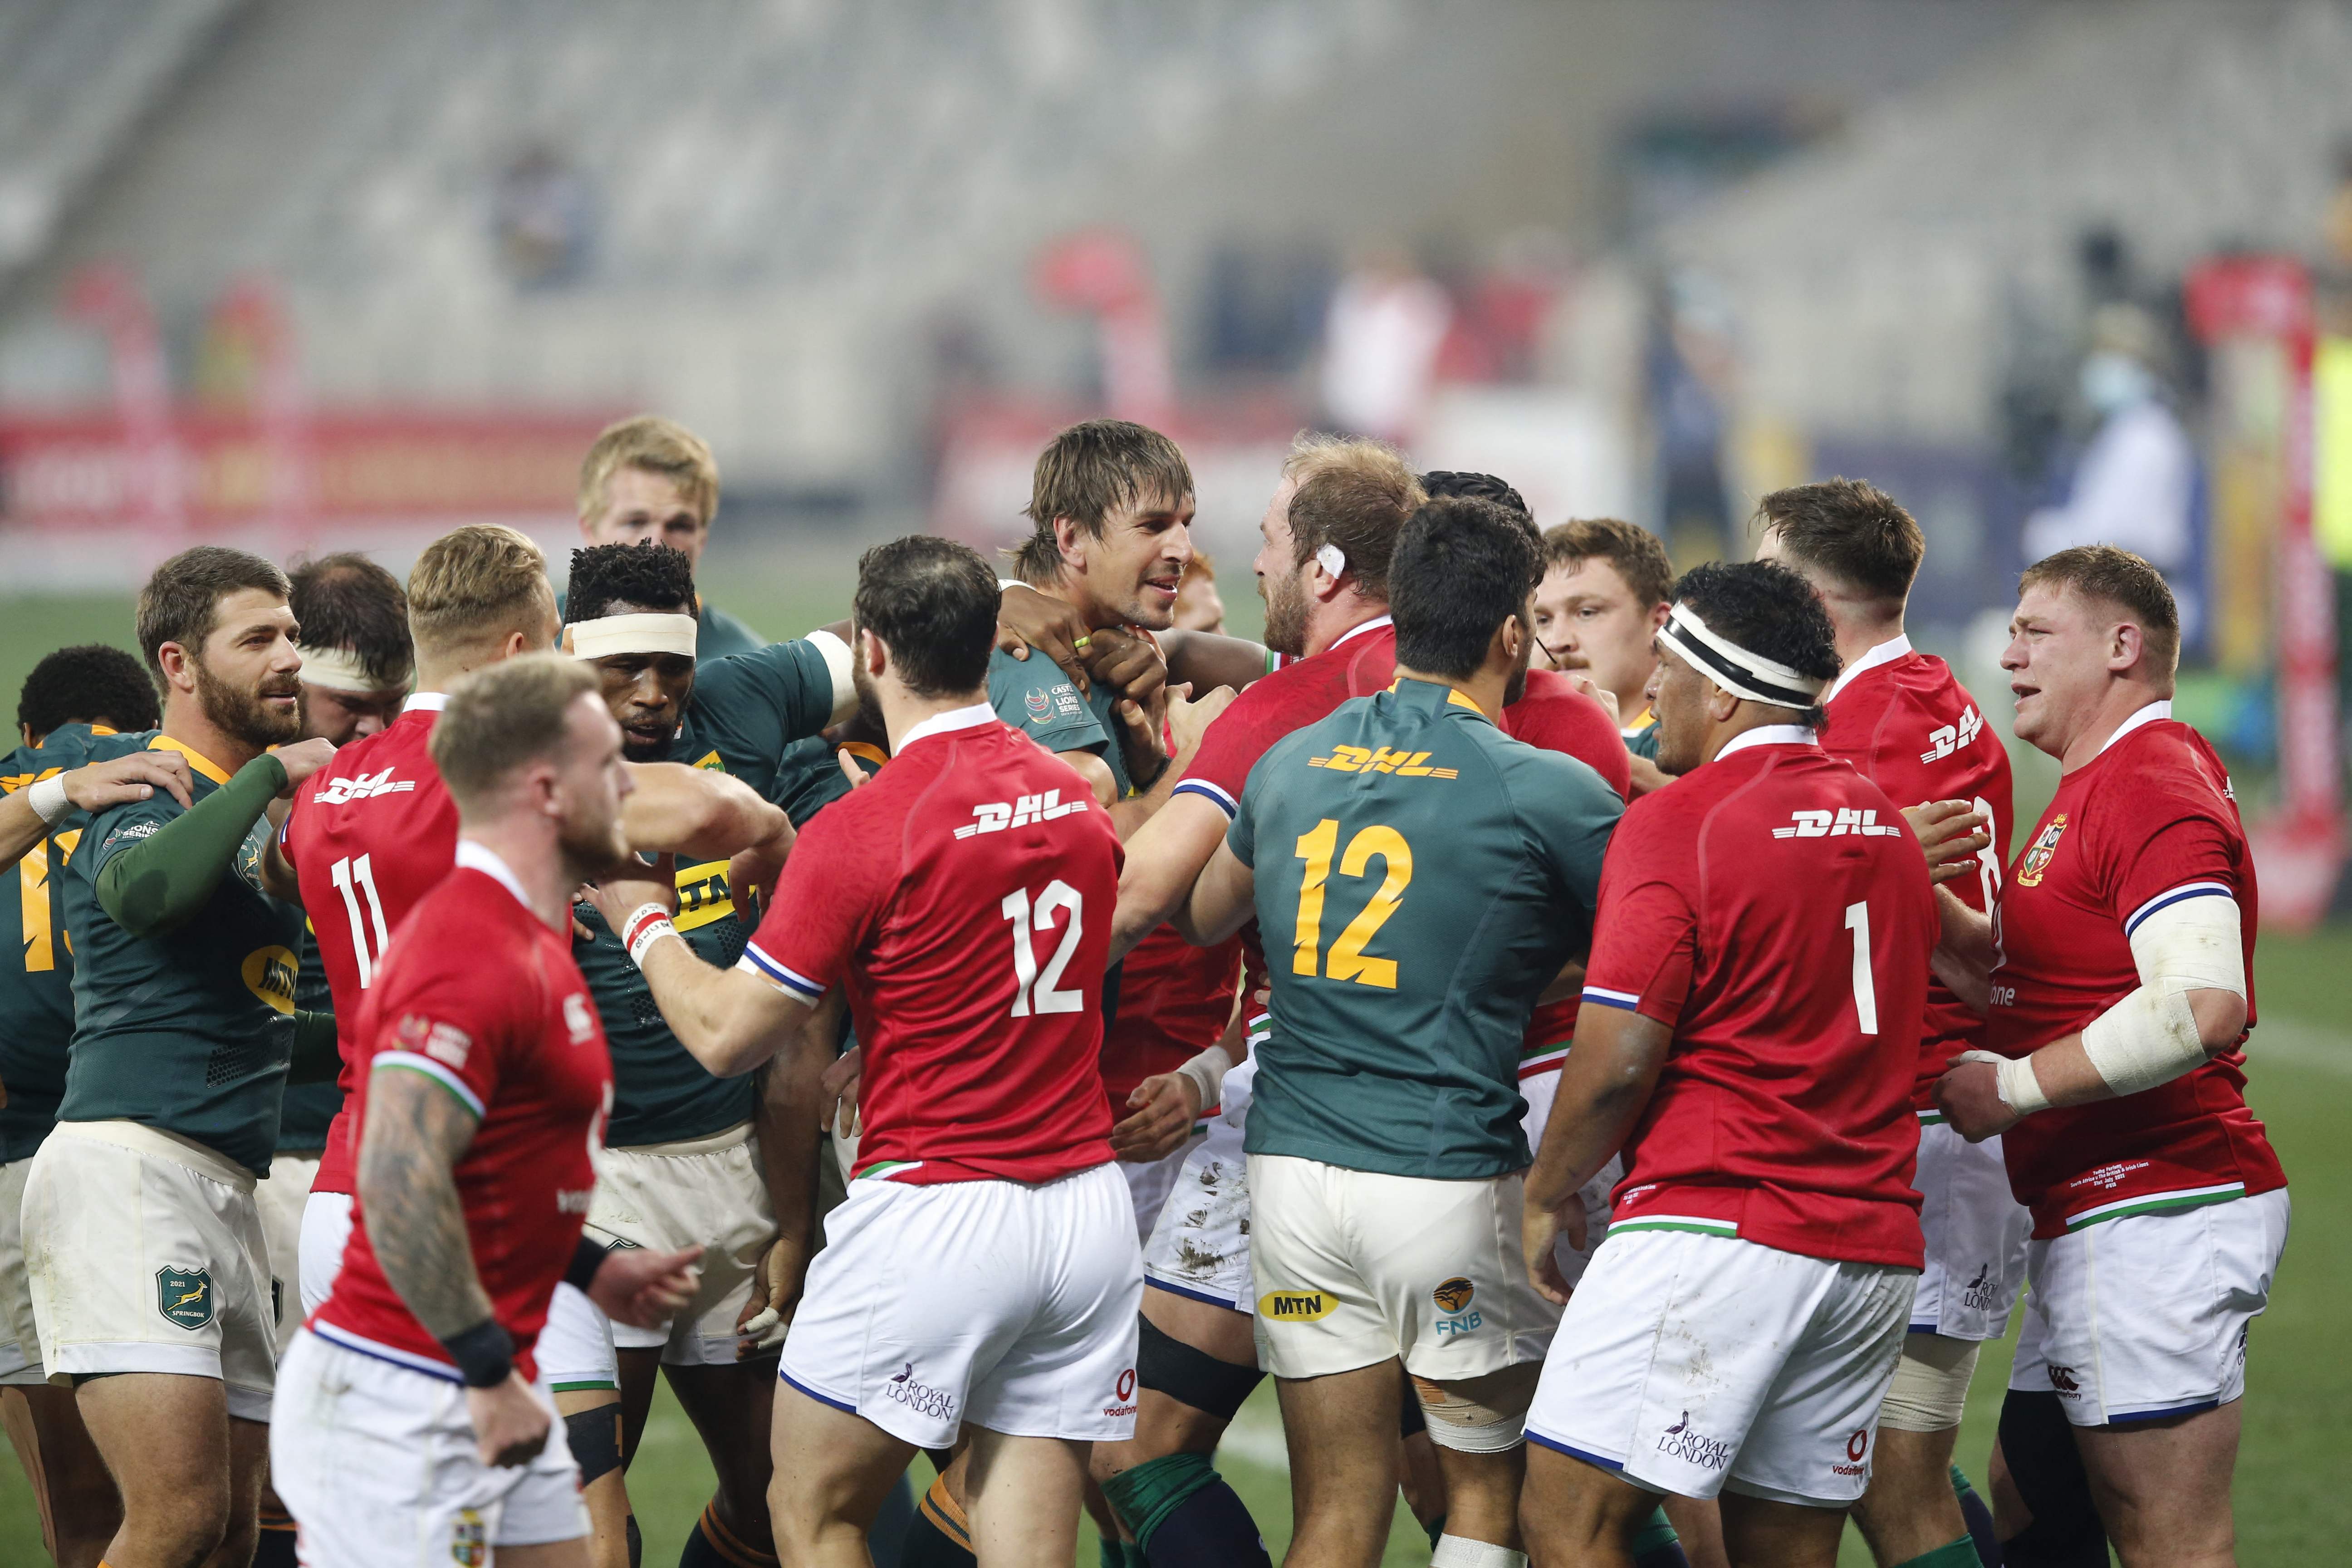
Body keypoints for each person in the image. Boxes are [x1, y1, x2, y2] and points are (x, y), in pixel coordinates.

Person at [261, 523, 811, 1568]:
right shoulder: (488, 861)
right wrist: (773, 834)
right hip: (417, 1225)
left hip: (450, 1206)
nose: (617, 760)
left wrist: (593, 1266)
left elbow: (286, 867)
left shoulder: (332, 791)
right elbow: (704, 805)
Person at [590, 534, 1140, 1568]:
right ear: (989, 645)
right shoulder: (1074, 791)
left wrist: (639, 920)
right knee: (1027, 1542)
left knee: (811, 1512)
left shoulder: (863, 825)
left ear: (872, 650)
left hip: (939, 1208)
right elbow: (1026, 947)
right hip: (1083, 1218)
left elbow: (721, 1035)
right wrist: (899, 1027)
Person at [1171, 495, 1620, 1568]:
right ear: (1510, 635)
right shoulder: (1542, 786)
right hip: (1440, 1190)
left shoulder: (1287, 762)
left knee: (1333, 1504)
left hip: (1290, 1193)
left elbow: (1201, 913)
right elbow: (1657, 960)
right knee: (1485, 1491)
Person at [1519, 560, 1935, 1568]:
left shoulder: (1680, 820)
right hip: (1869, 1251)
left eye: (1669, 667)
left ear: (1726, 692)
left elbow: (1619, 1058)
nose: (1651, 688)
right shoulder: (1883, 824)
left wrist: (1546, 1189)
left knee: (1566, 1523)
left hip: (1722, 1230)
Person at [273, 654, 703, 1568]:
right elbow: (396, 1179)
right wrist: (483, 1367)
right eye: (608, 769)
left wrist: (589, 1270)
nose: (630, 787)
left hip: (475, 1365)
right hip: (406, 1388)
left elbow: (497, 1178)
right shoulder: (468, 950)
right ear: (545, 790)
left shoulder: (535, 935)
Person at [1930, 547, 2286, 1568]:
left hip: (2159, 1206)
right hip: (2105, 1209)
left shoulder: (2146, 780)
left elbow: (2203, 1004)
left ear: (2123, 646)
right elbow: (2051, 985)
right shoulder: (2099, 784)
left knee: (2164, 1536)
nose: (2007, 657)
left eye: (2037, 632)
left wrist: (2009, 1087)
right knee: (2035, 1514)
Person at [20, 548, 338, 1568]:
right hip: (130, 1173)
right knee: (177, 1521)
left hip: (227, 1188)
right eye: (259, 640)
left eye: (293, 635)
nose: (289, 657)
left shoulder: (263, 813)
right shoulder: (145, 787)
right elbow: (146, 898)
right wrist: (262, 778)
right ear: (180, 664)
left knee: (235, 1537)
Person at [538, 540, 851, 1568]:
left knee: (774, 1501)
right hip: (594, 1182)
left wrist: (1026, 610)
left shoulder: (746, 696)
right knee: (586, 1521)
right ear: (562, 647)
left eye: (670, 662)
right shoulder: (511, 758)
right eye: (621, 664)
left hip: (730, 1163)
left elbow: (895, 647)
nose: (651, 689)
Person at [1751, 479, 2018, 1568]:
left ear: (1810, 599)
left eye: (1762, 575)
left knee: (1888, 1480)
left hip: (1917, 1125)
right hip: (1925, 1126)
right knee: (1865, 1462)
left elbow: (1947, 943)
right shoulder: (1931, 692)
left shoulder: (1864, 724)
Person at [252, 551, 417, 1567]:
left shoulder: (399, 768)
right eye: (349, 705)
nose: (369, 730)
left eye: (388, 706)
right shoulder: (217, 781)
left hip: (360, 1157)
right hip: (260, 1164)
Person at [0, 644, 175, 1568]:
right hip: (158, 1151)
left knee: (81, 1511)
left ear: (30, 735)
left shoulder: (14, 792)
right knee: (206, 1491)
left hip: (16, 1162)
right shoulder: (175, 778)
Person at [576, 414, 766, 659]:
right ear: (589, 531)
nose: (656, 545)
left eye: (680, 526)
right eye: (635, 522)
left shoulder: (746, 670)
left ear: (702, 540)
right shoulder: (536, 644)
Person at [1529, 518, 1674, 782]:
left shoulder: (1699, 739)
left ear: (1658, 623)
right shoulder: (1503, 736)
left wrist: (1610, 754)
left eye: (1586, 612)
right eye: (1542, 620)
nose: (1557, 641)